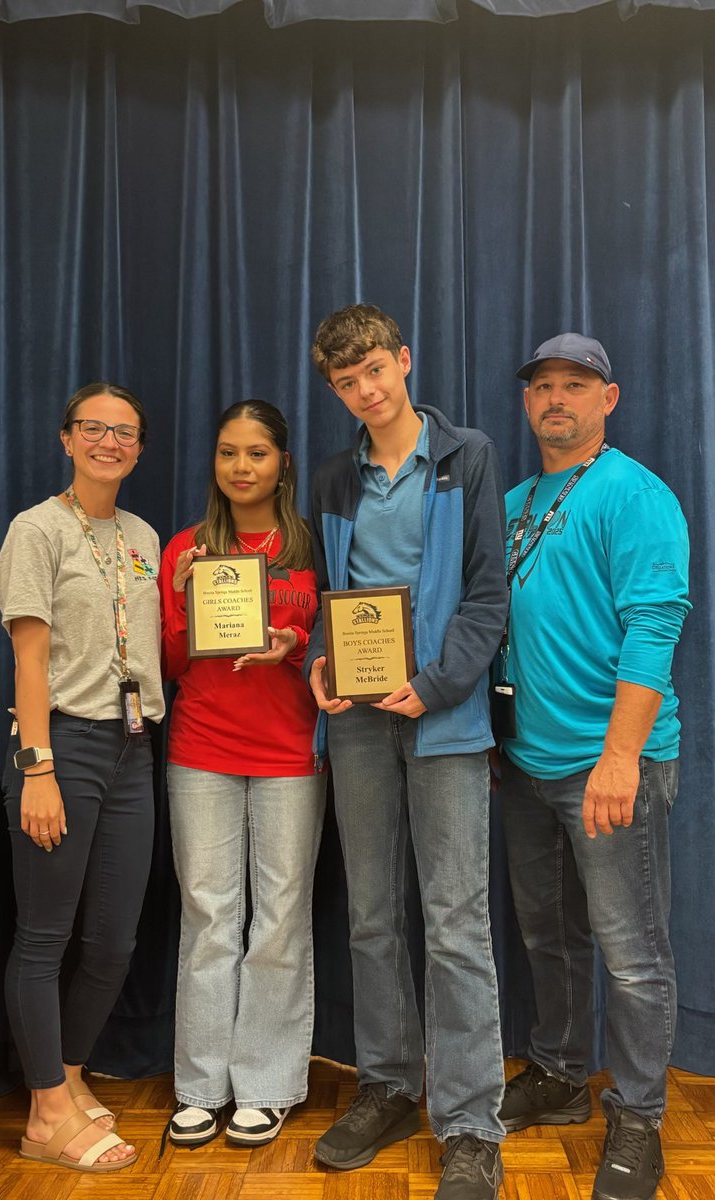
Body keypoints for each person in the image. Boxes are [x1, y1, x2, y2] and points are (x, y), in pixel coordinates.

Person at [305, 304, 508, 1200]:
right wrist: (321, 658)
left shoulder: (469, 457)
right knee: (371, 916)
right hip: (355, 721)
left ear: (404, 361)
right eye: (347, 383)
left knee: (456, 924)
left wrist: (435, 685)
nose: (366, 391)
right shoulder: (333, 479)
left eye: (375, 371)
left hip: (446, 720)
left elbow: (486, 598)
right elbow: (333, 598)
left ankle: (470, 1124)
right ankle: (387, 1087)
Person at [496, 334, 691, 1200]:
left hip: (611, 768)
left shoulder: (635, 494)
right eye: (543, 386)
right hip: (526, 764)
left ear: (608, 398)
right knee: (550, 939)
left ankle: (640, 1118)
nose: (556, 399)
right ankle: (561, 1076)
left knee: (632, 954)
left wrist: (620, 757)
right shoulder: (511, 502)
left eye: (576, 385)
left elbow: (655, 627)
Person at [0, 382, 164, 1173]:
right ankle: (45, 1120)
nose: (109, 442)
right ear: (67, 439)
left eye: (124, 432)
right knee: (44, 937)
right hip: (63, 744)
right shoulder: (37, 530)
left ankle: (62, 1081)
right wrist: (38, 768)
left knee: (114, 942)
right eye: (93, 428)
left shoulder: (143, 536)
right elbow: (30, 657)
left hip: (134, 751)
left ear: (139, 446)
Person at [159, 400, 325, 1149]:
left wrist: (291, 641)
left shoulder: (314, 547)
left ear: (282, 463)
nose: (241, 467)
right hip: (201, 750)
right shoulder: (184, 549)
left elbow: (337, 642)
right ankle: (199, 1086)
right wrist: (185, 599)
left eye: (256, 453)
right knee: (209, 915)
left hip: (290, 752)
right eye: (228, 453)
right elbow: (166, 663)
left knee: (281, 916)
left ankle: (265, 1083)